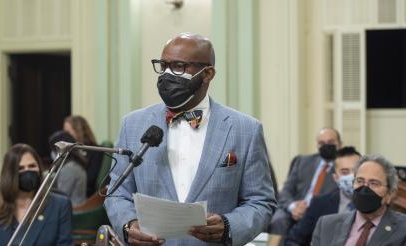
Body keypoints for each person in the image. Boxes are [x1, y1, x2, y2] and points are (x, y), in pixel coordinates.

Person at [104, 33, 277, 246]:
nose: (167, 74)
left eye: (178, 66)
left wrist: (229, 225)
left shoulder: (246, 129)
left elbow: (260, 201)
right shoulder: (133, 124)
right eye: (163, 65)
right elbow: (117, 193)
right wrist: (128, 225)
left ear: (208, 74)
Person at [0, 143, 73, 245]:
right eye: (20, 168)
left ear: (39, 168)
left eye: (32, 166)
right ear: (9, 174)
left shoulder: (60, 205)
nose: (27, 171)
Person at [312, 154, 406, 246]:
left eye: (374, 183)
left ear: (390, 194)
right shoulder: (326, 225)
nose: (365, 188)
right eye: (360, 181)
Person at [268, 127, 342, 238]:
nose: (326, 146)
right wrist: (293, 206)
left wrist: (310, 209)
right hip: (293, 211)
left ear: (340, 144)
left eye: (330, 142)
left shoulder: (343, 169)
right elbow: (286, 191)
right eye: (321, 143)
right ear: (317, 145)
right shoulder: (302, 161)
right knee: (278, 220)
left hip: (321, 213)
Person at [284, 146, 361, 246]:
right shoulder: (319, 204)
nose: (352, 176)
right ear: (335, 177)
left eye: (356, 171)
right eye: (345, 172)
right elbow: (293, 240)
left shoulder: (375, 203)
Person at [64, 115, 104, 197]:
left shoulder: (95, 150)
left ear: (78, 130)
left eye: (68, 132)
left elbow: (90, 179)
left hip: (83, 195)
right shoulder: (71, 151)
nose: (65, 136)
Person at [49, 130, 87, 206]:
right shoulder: (75, 163)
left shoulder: (69, 169)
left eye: (54, 150)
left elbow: (61, 196)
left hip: (75, 210)